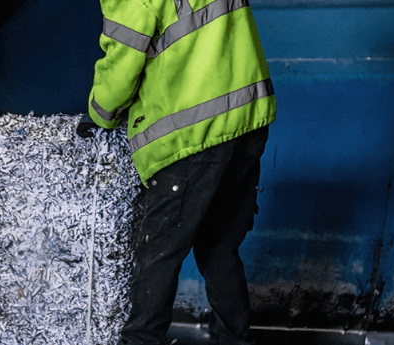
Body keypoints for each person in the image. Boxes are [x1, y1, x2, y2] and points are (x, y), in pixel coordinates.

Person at [78, 0, 276, 343]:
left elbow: (123, 62)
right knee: (219, 246)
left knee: (158, 251)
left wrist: (99, 113)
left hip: (193, 133)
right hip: (246, 121)